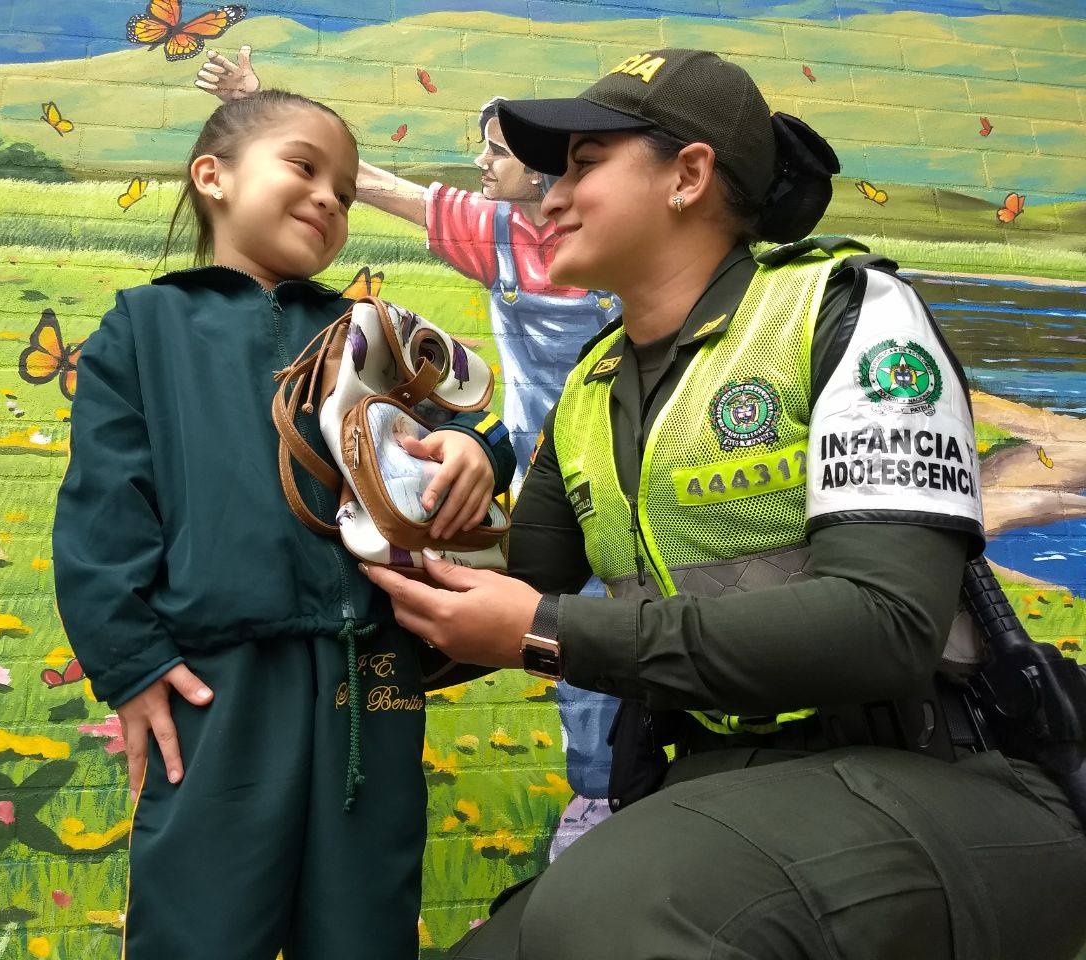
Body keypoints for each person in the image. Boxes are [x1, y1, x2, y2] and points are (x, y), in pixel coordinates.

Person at [365, 49, 1086, 959]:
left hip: (935, 774)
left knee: (615, 906)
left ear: (690, 176)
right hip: (713, 782)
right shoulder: (590, 387)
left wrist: (546, 633)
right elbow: (509, 579)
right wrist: (402, 497)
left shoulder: (848, 315)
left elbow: (887, 626)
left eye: (584, 165)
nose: (546, 199)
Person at [52, 91, 515, 960]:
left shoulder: (364, 332)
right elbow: (101, 514)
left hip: (370, 677)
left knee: (364, 926)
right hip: (214, 683)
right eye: (305, 167)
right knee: (199, 924)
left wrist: (473, 452)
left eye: (343, 189)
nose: (329, 199)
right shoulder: (142, 328)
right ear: (212, 176)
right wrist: (132, 664)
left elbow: (449, 417)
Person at [199, 47, 621, 854]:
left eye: (495, 150)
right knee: (568, 625)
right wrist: (263, 105)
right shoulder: (492, 230)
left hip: (623, 460)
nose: (480, 162)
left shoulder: (610, 243)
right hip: (542, 469)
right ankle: (598, 795)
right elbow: (379, 186)